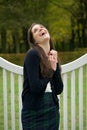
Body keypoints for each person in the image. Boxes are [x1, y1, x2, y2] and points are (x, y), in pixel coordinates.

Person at [21, 23, 63, 130]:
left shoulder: (52, 56)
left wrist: (55, 67)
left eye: (42, 27)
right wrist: (51, 70)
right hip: (34, 113)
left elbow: (58, 89)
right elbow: (36, 88)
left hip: (52, 111)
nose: (40, 29)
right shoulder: (32, 54)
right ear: (34, 41)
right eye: (35, 30)